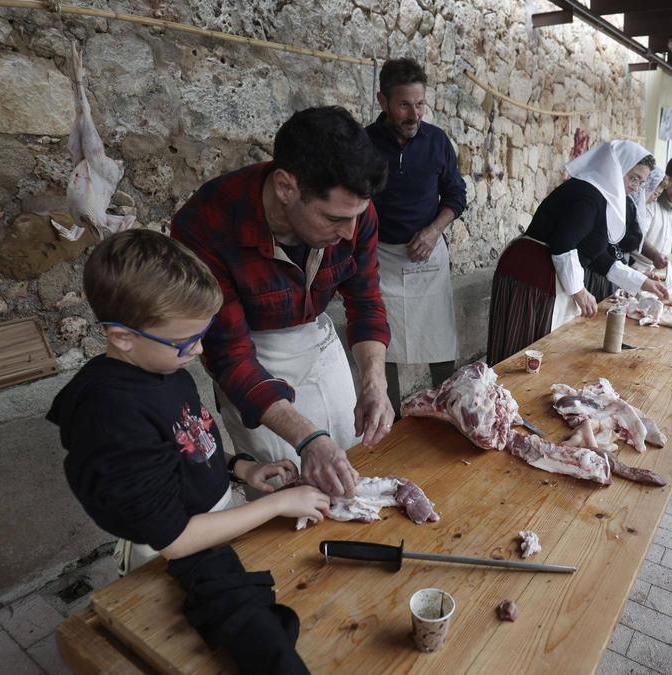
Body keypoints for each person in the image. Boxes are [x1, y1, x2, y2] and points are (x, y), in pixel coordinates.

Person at [48, 230, 329, 672]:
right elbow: (174, 540)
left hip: (209, 522)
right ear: (122, 337)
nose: (198, 350)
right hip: (170, 557)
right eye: (185, 342)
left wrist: (239, 468)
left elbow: (186, 442)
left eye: (202, 335)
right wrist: (278, 504)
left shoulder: (160, 364)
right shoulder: (111, 415)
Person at [171, 106, 392, 499]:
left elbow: (366, 300)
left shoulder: (352, 206)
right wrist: (306, 437)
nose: (348, 232)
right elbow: (229, 355)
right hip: (254, 355)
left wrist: (374, 382)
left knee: (353, 469)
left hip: (318, 341)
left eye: (357, 217)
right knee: (286, 487)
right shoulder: (207, 223)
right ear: (286, 187)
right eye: (333, 219)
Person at [486, 140, 671, 365]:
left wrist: (642, 283)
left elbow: (597, 254)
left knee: (538, 352)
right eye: (633, 178)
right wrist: (579, 291)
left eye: (641, 182)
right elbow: (563, 243)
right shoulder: (588, 195)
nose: (635, 187)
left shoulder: (603, 196)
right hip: (532, 273)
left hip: (545, 271)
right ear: (616, 168)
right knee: (524, 350)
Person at [364, 58, 467, 417]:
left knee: (439, 340)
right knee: (383, 340)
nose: (414, 114)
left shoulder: (437, 141)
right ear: (383, 101)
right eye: (404, 104)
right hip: (381, 257)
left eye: (420, 104)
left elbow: (456, 195)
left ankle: (452, 411)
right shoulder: (364, 144)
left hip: (427, 253)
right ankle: (389, 419)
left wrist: (433, 230)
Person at [632, 157, 672, 273]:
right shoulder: (651, 197)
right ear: (666, 178)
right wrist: (655, 255)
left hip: (661, 266)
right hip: (637, 264)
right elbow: (638, 236)